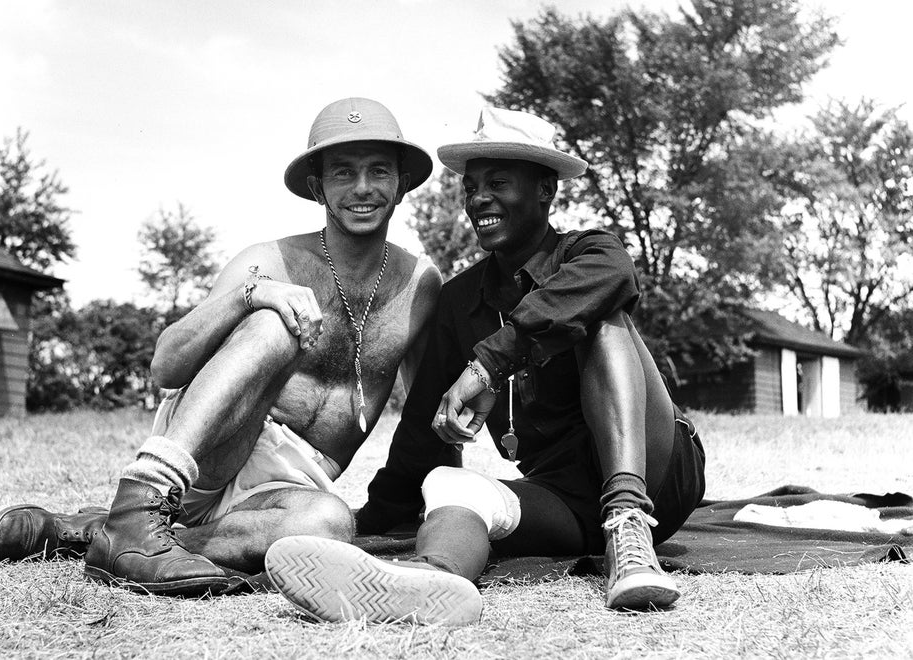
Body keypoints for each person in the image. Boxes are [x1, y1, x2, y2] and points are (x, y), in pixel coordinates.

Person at [264, 106, 706, 625]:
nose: (479, 200)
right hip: (563, 495)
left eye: (498, 182)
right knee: (453, 487)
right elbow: (424, 425)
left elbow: (613, 278)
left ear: (546, 191)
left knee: (602, 320)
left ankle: (627, 526)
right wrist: (374, 516)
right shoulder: (459, 301)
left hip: (658, 473)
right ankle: (432, 581)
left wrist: (488, 365)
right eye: (471, 187)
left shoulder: (588, 253)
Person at [0, 97, 443, 597]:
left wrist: (442, 511)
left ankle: (111, 536)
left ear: (402, 183)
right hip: (213, 452)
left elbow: (425, 412)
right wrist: (250, 297)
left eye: (379, 170)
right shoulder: (267, 261)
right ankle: (141, 503)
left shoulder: (420, 284)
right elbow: (166, 365)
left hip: (286, 489)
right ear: (317, 188)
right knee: (275, 324)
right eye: (342, 173)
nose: (362, 188)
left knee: (330, 525)